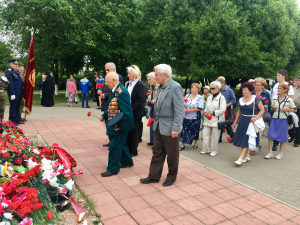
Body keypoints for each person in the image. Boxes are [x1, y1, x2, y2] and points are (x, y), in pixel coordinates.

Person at [140, 64, 184, 187]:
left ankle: (171, 177)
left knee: (172, 155)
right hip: (159, 125)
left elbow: (179, 111)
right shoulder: (160, 87)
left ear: (165, 75)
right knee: (157, 152)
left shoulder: (175, 87)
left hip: (170, 127)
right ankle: (153, 176)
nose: (155, 76)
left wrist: (176, 128)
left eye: (157, 74)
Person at [99, 72, 134, 177]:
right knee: (121, 143)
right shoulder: (115, 90)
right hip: (116, 121)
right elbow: (112, 106)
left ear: (114, 80)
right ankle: (127, 161)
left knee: (115, 145)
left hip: (121, 123)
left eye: (107, 81)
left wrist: (120, 126)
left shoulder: (122, 92)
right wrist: (104, 115)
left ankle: (112, 169)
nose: (106, 84)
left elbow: (126, 112)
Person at [232, 82, 265, 165]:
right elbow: (239, 111)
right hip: (242, 121)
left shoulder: (256, 99)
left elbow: (262, 110)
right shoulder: (240, 99)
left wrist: (256, 117)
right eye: (243, 89)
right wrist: (235, 122)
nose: (243, 91)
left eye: (245, 90)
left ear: (251, 91)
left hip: (251, 121)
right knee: (244, 138)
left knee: (246, 139)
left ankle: (240, 158)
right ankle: (247, 156)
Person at [265, 84, 297, 159]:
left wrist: (287, 109)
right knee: (270, 135)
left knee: (283, 137)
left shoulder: (289, 99)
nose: (278, 90)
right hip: (274, 119)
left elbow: (295, 109)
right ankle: (270, 152)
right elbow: (271, 109)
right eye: (278, 88)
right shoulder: (275, 98)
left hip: (284, 120)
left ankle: (280, 153)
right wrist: (273, 108)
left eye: (280, 88)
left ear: (285, 90)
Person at [200, 81, 226, 156]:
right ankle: (205, 149)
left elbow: (222, 109)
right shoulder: (209, 97)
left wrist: (213, 113)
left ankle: (214, 150)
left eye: (213, 88)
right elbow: (206, 107)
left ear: (218, 88)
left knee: (215, 136)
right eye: (210, 88)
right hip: (208, 119)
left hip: (216, 120)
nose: (211, 90)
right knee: (205, 134)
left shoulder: (221, 98)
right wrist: (205, 112)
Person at [271, 70, 294, 151]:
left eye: (279, 75)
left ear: (284, 76)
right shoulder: (275, 85)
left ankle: (276, 143)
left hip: (282, 110)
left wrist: (286, 107)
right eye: (277, 75)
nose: (277, 76)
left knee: (280, 128)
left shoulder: (289, 86)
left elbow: (292, 98)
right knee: (273, 127)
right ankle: (274, 141)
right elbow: (272, 95)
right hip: (274, 108)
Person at [125, 65, 146, 157]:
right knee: (128, 131)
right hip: (128, 111)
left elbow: (141, 100)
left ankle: (134, 150)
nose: (128, 75)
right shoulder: (127, 84)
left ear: (135, 74)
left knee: (134, 132)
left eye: (129, 73)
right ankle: (129, 148)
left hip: (135, 112)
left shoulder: (140, 85)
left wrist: (132, 107)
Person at [180, 83, 203, 150]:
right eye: (193, 87)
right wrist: (184, 109)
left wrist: (189, 110)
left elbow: (199, 108)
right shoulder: (187, 96)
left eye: (195, 88)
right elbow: (183, 103)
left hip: (195, 117)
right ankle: (182, 144)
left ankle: (195, 143)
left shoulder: (200, 97)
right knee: (184, 129)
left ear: (198, 89)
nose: (194, 89)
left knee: (195, 130)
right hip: (186, 116)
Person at [251, 78, 271, 155]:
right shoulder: (252, 92)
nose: (256, 86)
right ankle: (256, 145)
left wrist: (263, 106)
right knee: (252, 131)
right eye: (255, 84)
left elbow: (269, 105)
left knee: (258, 132)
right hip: (252, 114)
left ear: (262, 86)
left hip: (261, 115)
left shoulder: (266, 93)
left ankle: (255, 148)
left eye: (258, 85)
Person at [217, 76, 236, 143]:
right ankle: (219, 138)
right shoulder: (218, 90)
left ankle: (233, 137)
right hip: (219, 109)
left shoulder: (229, 90)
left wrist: (227, 105)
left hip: (226, 109)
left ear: (223, 83)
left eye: (219, 84)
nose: (218, 85)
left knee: (227, 124)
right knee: (219, 123)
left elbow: (233, 100)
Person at [6, 59, 24, 125]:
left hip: (19, 92)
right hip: (14, 92)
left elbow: (19, 82)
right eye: (15, 64)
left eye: (17, 64)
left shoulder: (16, 72)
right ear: (11, 64)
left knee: (17, 106)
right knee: (13, 107)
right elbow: (10, 83)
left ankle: (16, 119)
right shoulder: (9, 71)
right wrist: (12, 93)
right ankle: (12, 120)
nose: (16, 65)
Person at [146, 72, 159, 146]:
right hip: (152, 107)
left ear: (154, 78)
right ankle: (152, 140)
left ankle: (155, 143)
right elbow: (151, 94)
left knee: (155, 125)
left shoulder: (159, 86)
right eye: (148, 80)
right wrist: (148, 99)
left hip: (157, 108)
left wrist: (155, 100)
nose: (148, 81)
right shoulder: (151, 86)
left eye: (150, 79)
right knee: (151, 123)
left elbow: (161, 97)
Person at [288, 77, 300, 147]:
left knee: (298, 125)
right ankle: (293, 135)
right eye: (298, 80)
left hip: (299, 110)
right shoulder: (294, 89)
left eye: (299, 81)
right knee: (289, 123)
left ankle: (297, 141)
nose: (298, 82)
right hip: (292, 108)